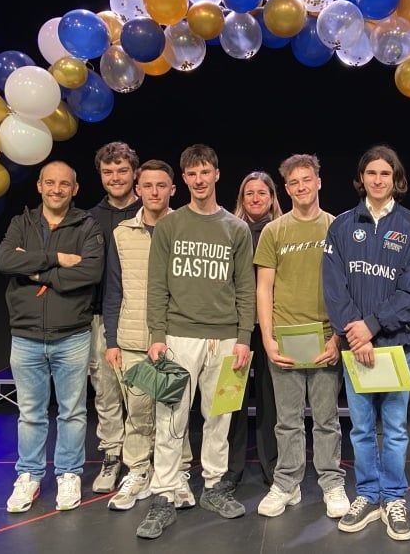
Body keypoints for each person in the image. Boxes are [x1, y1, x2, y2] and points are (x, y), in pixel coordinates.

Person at [136, 144, 256, 540]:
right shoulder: (170, 226)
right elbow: (156, 286)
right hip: (178, 336)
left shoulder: (236, 229)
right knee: (171, 420)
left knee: (220, 417)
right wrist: (156, 336)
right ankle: (164, 496)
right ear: (183, 180)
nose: (199, 180)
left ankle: (215, 486)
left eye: (205, 172)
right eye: (192, 174)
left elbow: (245, 288)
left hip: (225, 341)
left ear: (216, 175)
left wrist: (243, 339)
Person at [322, 145, 410, 541]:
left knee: (396, 429)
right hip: (356, 347)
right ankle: (367, 495)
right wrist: (356, 331)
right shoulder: (342, 225)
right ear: (362, 178)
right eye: (371, 173)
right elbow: (334, 287)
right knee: (363, 429)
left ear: (396, 179)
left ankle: (394, 498)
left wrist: (371, 326)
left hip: (397, 344)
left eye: (385, 173)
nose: (378, 180)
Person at [0, 160, 104, 513]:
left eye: (64, 184)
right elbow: (6, 261)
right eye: (50, 183)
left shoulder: (87, 225)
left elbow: (90, 272)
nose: (57, 189)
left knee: (72, 412)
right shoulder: (20, 223)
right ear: (39, 186)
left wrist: (38, 273)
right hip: (25, 335)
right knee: (31, 413)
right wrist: (56, 258)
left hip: (71, 334)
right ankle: (29, 476)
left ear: (75, 189)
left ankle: (69, 474)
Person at [254, 155, 349, 519]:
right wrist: (268, 339)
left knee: (326, 419)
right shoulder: (274, 231)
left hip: (326, 337)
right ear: (288, 188)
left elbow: (348, 286)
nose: (301, 187)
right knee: (287, 420)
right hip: (286, 338)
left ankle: (331, 482)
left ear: (318, 182)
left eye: (306, 180)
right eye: (293, 183)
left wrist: (338, 338)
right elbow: (264, 289)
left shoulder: (338, 227)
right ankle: (287, 483)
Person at [101, 159, 196, 512]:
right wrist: (112, 340)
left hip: (176, 337)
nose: (154, 192)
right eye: (148, 185)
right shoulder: (122, 232)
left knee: (174, 412)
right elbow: (113, 291)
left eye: (162, 186)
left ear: (173, 189)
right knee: (138, 411)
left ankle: (177, 473)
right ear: (138, 189)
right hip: (133, 339)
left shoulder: (186, 227)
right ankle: (139, 471)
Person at [87, 142, 142, 494]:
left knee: (140, 393)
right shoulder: (89, 218)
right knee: (106, 391)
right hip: (99, 318)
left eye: (122, 170)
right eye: (109, 172)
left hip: (141, 315)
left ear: (134, 173)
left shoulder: (153, 211)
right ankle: (111, 456)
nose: (116, 177)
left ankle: (141, 460)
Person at [225, 171, 283, 489]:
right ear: (241, 198)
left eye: (262, 193)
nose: (256, 198)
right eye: (249, 193)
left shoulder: (281, 231)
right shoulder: (231, 230)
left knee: (270, 401)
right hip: (235, 328)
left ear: (272, 197)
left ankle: (271, 466)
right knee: (231, 400)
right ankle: (231, 468)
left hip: (271, 327)